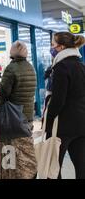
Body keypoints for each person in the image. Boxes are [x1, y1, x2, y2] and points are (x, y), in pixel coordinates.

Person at [0, 41, 37, 179]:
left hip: (13, 117)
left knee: (11, 151)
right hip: (27, 115)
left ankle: (12, 176)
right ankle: (28, 174)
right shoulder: (30, 67)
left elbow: (4, 91)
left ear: (12, 52)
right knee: (25, 150)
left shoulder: (11, 68)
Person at [46, 32, 85, 179]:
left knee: (53, 167)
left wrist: (48, 121)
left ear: (61, 47)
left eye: (53, 45)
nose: (51, 47)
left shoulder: (61, 67)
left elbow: (58, 100)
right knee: (81, 167)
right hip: (81, 124)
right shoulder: (81, 66)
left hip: (63, 126)